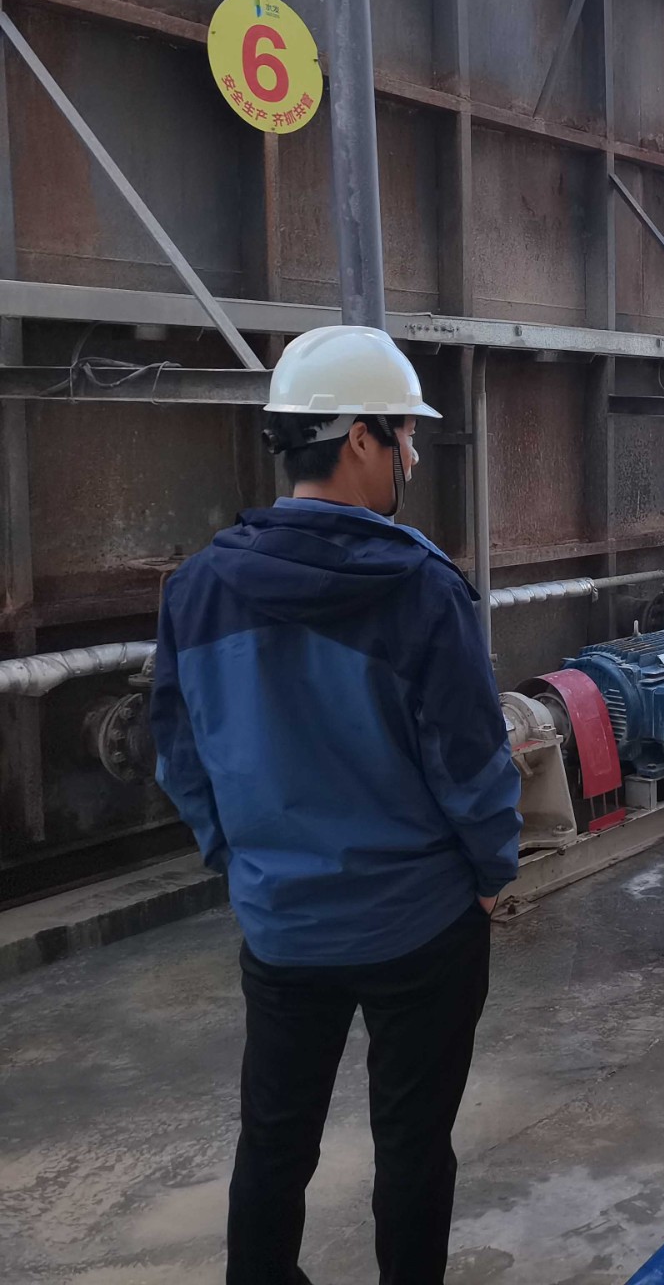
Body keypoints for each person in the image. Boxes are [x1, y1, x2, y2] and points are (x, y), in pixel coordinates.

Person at [149, 326, 522, 1285]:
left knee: (273, 1142)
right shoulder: (422, 589)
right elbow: (472, 762)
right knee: (413, 1143)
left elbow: (179, 753)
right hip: (420, 924)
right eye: (406, 432)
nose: (413, 455)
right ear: (361, 437)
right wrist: (493, 872)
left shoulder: (198, 589)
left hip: (283, 925)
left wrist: (240, 861)